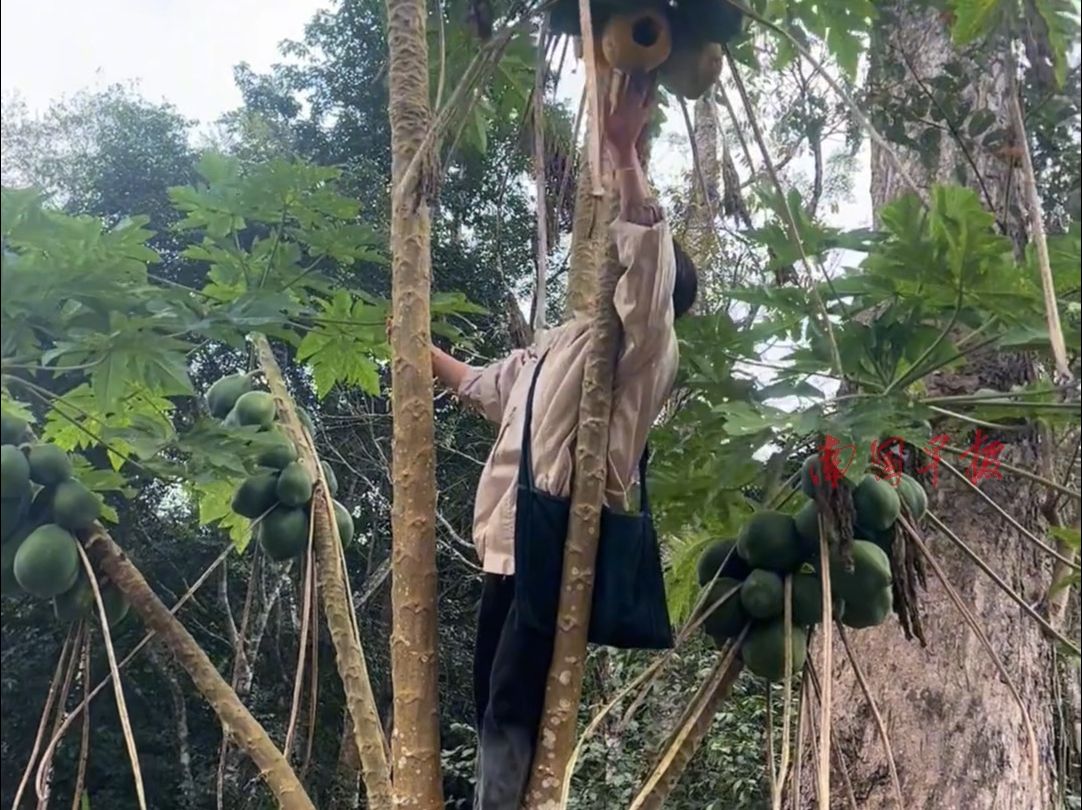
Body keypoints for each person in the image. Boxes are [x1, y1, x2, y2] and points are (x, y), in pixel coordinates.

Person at [429, 76, 697, 809]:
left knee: (515, 699)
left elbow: (646, 268)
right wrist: (416, 345)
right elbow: (487, 385)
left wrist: (624, 150)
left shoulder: (644, 347)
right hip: (511, 540)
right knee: (492, 695)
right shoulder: (560, 347)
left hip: (563, 537)